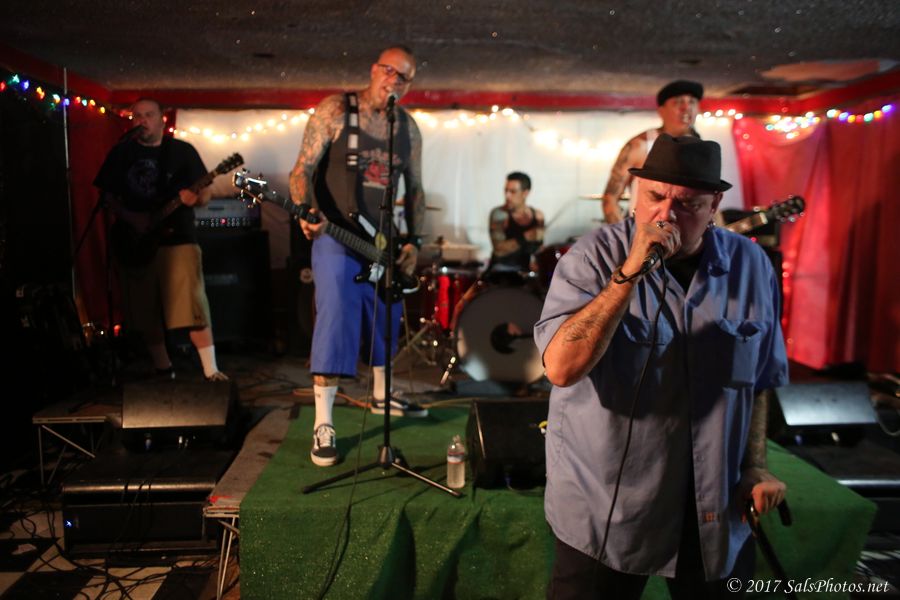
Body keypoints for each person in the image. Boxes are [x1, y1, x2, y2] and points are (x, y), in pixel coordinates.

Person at [536, 134, 788, 599]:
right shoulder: (591, 258)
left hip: (712, 503)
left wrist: (755, 465)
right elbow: (561, 368)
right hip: (606, 505)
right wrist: (628, 274)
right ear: (636, 193)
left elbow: (759, 381)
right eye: (654, 196)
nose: (665, 215)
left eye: (687, 204)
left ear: (714, 206)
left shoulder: (751, 266)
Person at [289, 45, 428, 468]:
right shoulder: (335, 110)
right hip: (335, 234)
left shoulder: (407, 128)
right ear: (373, 70)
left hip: (383, 242)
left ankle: (383, 395)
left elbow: (415, 189)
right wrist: (305, 210)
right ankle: (324, 423)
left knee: (385, 316)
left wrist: (414, 242)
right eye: (389, 70)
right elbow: (302, 169)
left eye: (403, 76)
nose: (394, 80)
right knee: (335, 316)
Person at [94, 98, 228, 382]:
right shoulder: (122, 153)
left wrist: (195, 198)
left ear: (162, 119)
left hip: (178, 239)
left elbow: (206, 193)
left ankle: (211, 371)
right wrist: (132, 218)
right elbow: (107, 196)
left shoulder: (181, 151)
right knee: (145, 311)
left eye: (149, 115)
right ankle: (163, 369)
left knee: (192, 306)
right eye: (137, 116)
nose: (142, 120)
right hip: (136, 242)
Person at [601, 80, 703, 224]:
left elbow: (709, 199)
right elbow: (610, 199)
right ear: (661, 111)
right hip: (648, 232)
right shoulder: (641, 145)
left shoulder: (701, 148)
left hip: (690, 233)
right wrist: (624, 234)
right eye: (678, 102)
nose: (686, 108)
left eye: (692, 102)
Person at [485, 171, 545, 283]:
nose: (507, 195)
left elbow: (539, 248)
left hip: (525, 274)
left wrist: (537, 260)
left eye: (513, 192)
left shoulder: (538, 216)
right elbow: (499, 249)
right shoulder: (500, 214)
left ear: (525, 193)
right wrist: (526, 237)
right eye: (506, 190)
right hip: (501, 273)